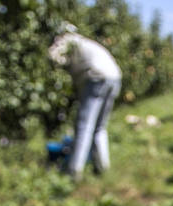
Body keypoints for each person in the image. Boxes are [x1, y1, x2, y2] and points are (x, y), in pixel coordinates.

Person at [48, 24, 122, 178]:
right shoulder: (85, 42)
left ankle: (74, 171)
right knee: (99, 127)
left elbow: (53, 57)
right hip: (115, 77)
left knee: (84, 126)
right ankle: (102, 168)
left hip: (97, 78)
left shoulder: (67, 41)